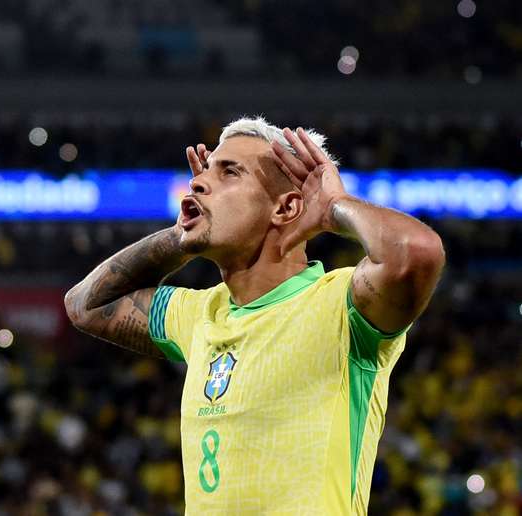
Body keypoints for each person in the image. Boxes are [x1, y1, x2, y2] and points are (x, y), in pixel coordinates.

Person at [64, 117, 445, 514]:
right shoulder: (199, 313)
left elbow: (415, 254)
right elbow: (85, 305)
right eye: (205, 171)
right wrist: (185, 233)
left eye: (230, 172)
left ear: (285, 207)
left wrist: (334, 208)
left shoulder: (341, 305)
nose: (199, 182)